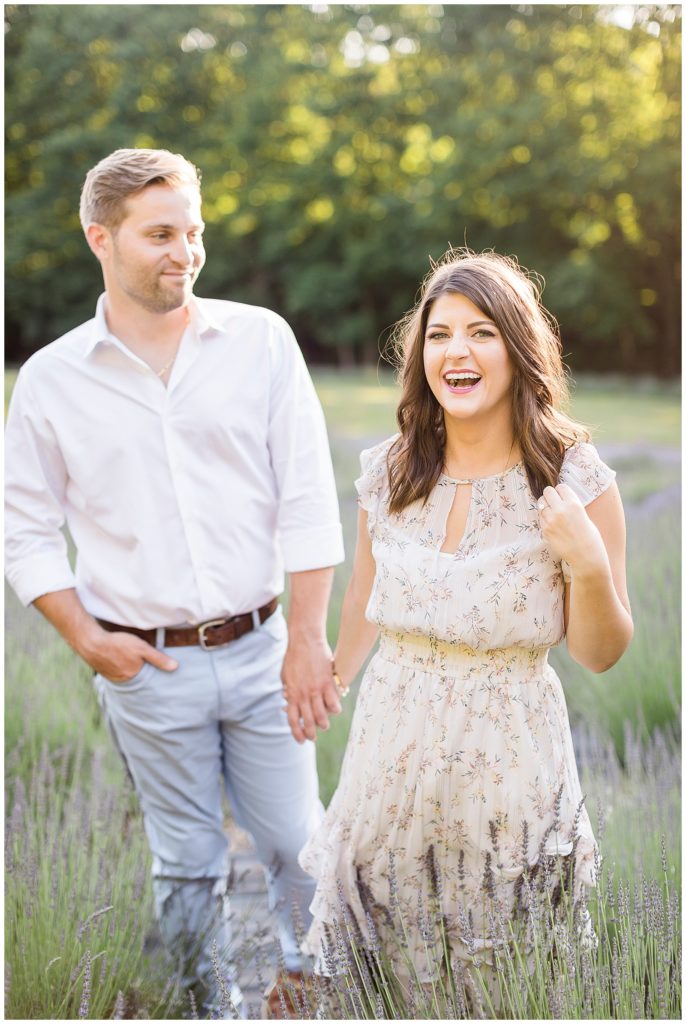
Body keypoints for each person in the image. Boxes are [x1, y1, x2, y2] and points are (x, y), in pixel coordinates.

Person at [5, 147, 346, 1018]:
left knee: (297, 839)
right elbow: (25, 530)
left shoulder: (261, 341)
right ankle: (207, 1008)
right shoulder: (50, 380)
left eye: (193, 232)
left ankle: (305, 987)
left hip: (269, 646)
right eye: (160, 234)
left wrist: (308, 639)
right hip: (145, 667)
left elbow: (309, 499)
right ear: (101, 238)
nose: (184, 253)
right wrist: (88, 640)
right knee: (187, 856)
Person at [299, 249, 634, 1014]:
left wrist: (584, 564)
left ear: (518, 350)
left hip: (509, 758)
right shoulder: (389, 471)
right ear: (420, 354)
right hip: (392, 747)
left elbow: (602, 653)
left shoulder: (574, 480)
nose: (456, 351)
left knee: (503, 970)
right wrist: (331, 674)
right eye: (439, 333)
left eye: (480, 333)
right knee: (381, 959)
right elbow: (364, 594)